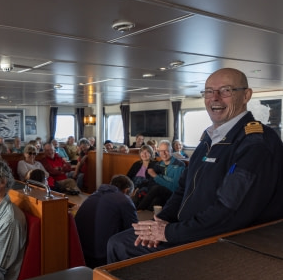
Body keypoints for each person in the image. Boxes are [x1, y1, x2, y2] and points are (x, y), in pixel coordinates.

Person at [107, 68, 283, 263]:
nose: (214, 98)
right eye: (208, 91)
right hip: (189, 230)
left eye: (225, 90)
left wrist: (169, 233)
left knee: (121, 246)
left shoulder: (255, 143)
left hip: (220, 241)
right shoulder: (208, 140)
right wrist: (162, 220)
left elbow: (229, 211)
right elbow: (183, 189)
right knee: (119, 241)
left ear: (246, 95)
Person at [75, 175, 137, 268]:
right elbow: (134, 229)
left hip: (80, 251)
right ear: (126, 190)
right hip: (101, 256)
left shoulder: (93, 195)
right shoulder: (123, 199)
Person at [136, 140, 185, 211]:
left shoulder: (179, 165)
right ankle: (143, 217)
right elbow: (151, 184)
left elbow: (175, 187)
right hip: (160, 194)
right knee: (156, 201)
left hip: (174, 194)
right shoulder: (158, 164)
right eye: (161, 151)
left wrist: (156, 176)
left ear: (171, 150)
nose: (164, 154)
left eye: (166, 151)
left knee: (157, 188)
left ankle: (138, 210)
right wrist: (165, 179)